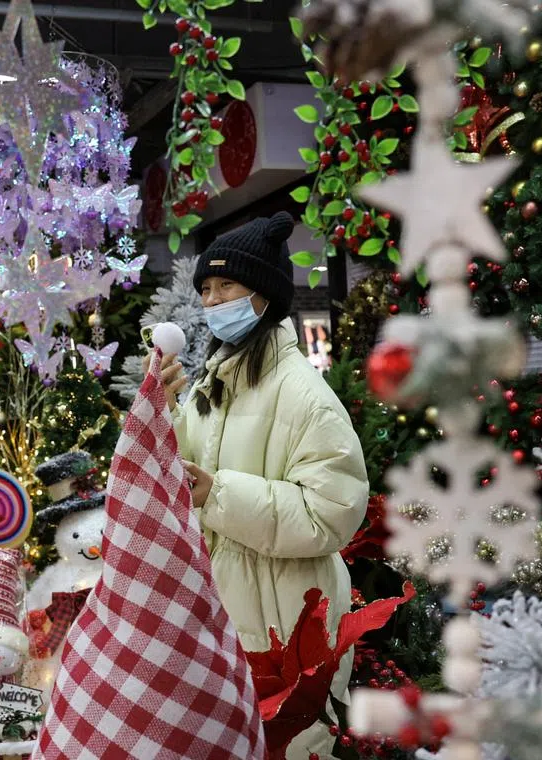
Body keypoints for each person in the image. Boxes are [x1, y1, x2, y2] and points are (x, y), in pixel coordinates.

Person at [146, 211, 369, 759]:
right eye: (206, 289)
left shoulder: (304, 395)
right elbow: (187, 468)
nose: (213, 300)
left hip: (288, 626)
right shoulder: (215, 382)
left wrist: (217, 493)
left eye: (227, 286)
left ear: (264, 295)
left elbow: (330, 514)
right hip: (223, 613)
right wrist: (165, 410)